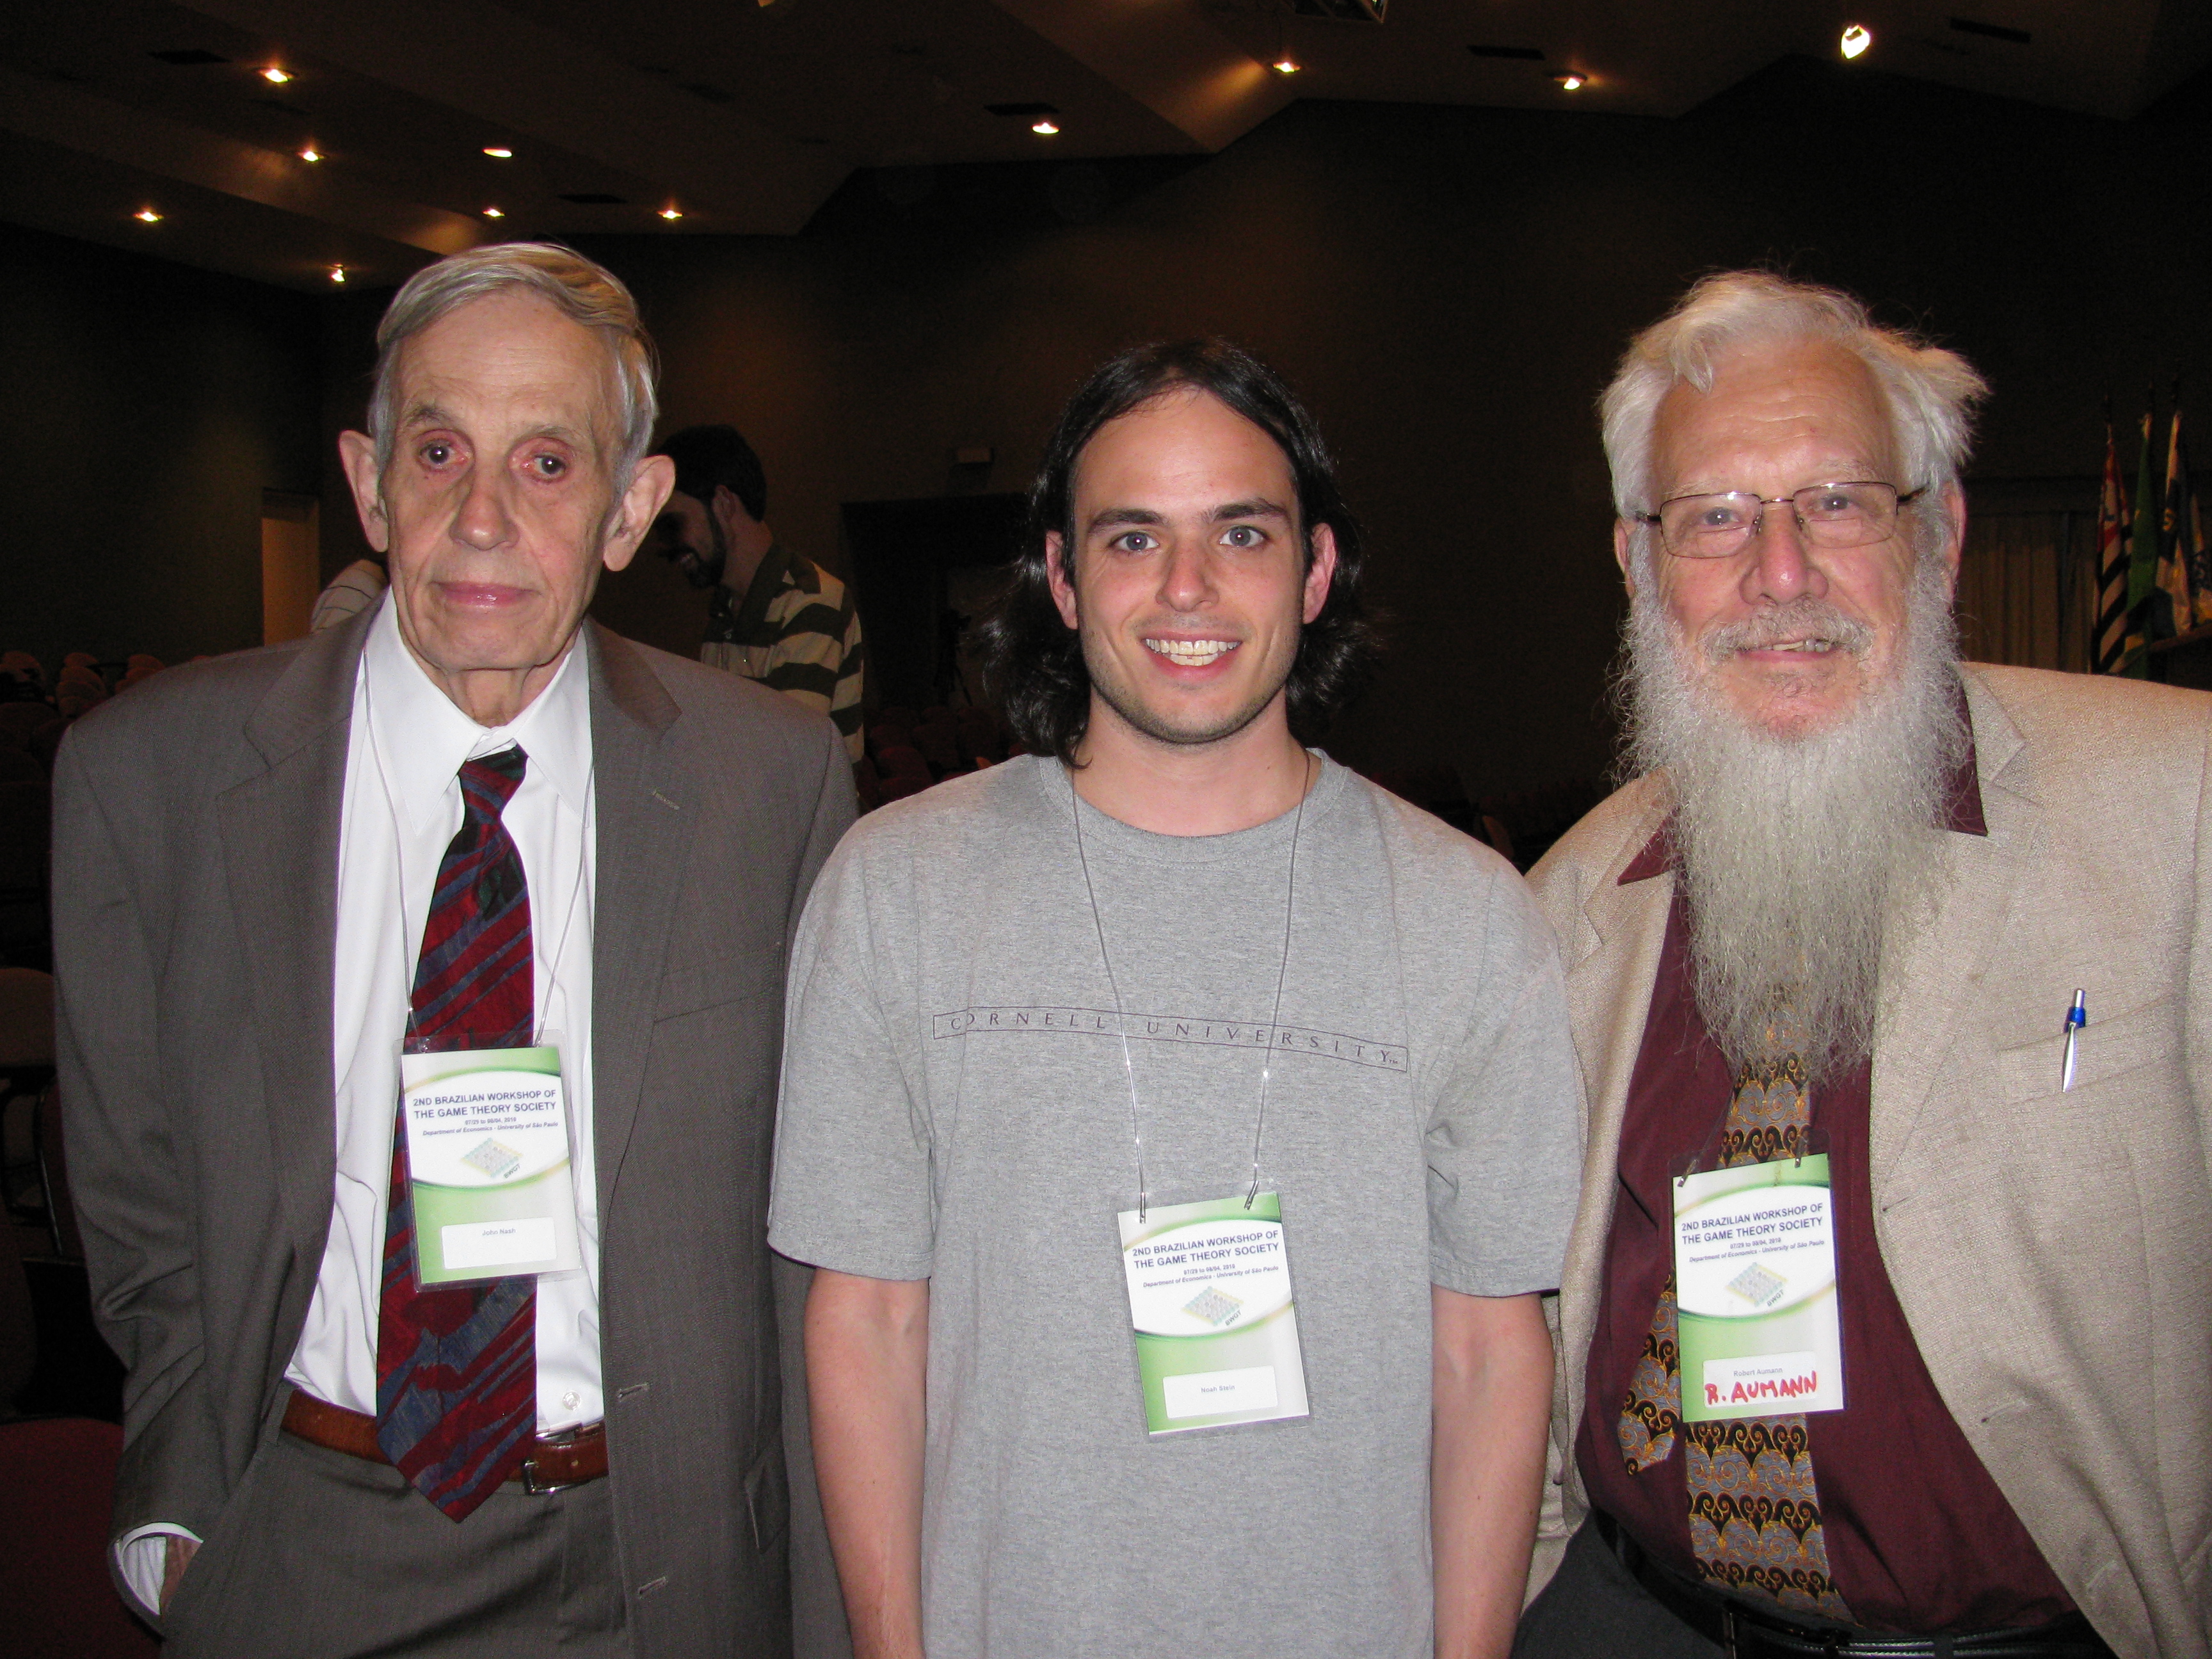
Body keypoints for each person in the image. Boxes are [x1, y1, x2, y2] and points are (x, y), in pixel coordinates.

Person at [53, 243, 854, 1657]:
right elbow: (134, 1198)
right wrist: (186, 1515)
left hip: (662, 1558)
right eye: (439, 453)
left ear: (630, 508)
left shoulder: (768, 785)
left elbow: (814, 1238)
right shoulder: (151, 775)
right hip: (307, 1532)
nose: (485, 517)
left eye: (548, 463)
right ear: (370, 485)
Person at [768, 339, 1583, 1658]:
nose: (1187, 587)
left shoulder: (1468, 917)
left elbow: (1489, 1352)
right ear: (1061, 577)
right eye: (1134, 537)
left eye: (1241, 534)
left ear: (1315, 570)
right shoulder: (897, 890)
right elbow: (866, 1321)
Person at [1514, 272, 2211, 1659]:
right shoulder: (1570, 901)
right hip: (1642, 1616)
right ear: (1639, 564)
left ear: (1937, 535)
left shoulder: (2181, 805)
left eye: (1836, 502)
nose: (1780, 575)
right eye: (1716, 516)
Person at [652, 424, 865, 762]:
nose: (664, 547)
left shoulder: (811, 600)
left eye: (673, 525)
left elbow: (787, 760)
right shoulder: (723, 614)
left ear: (723, 504)